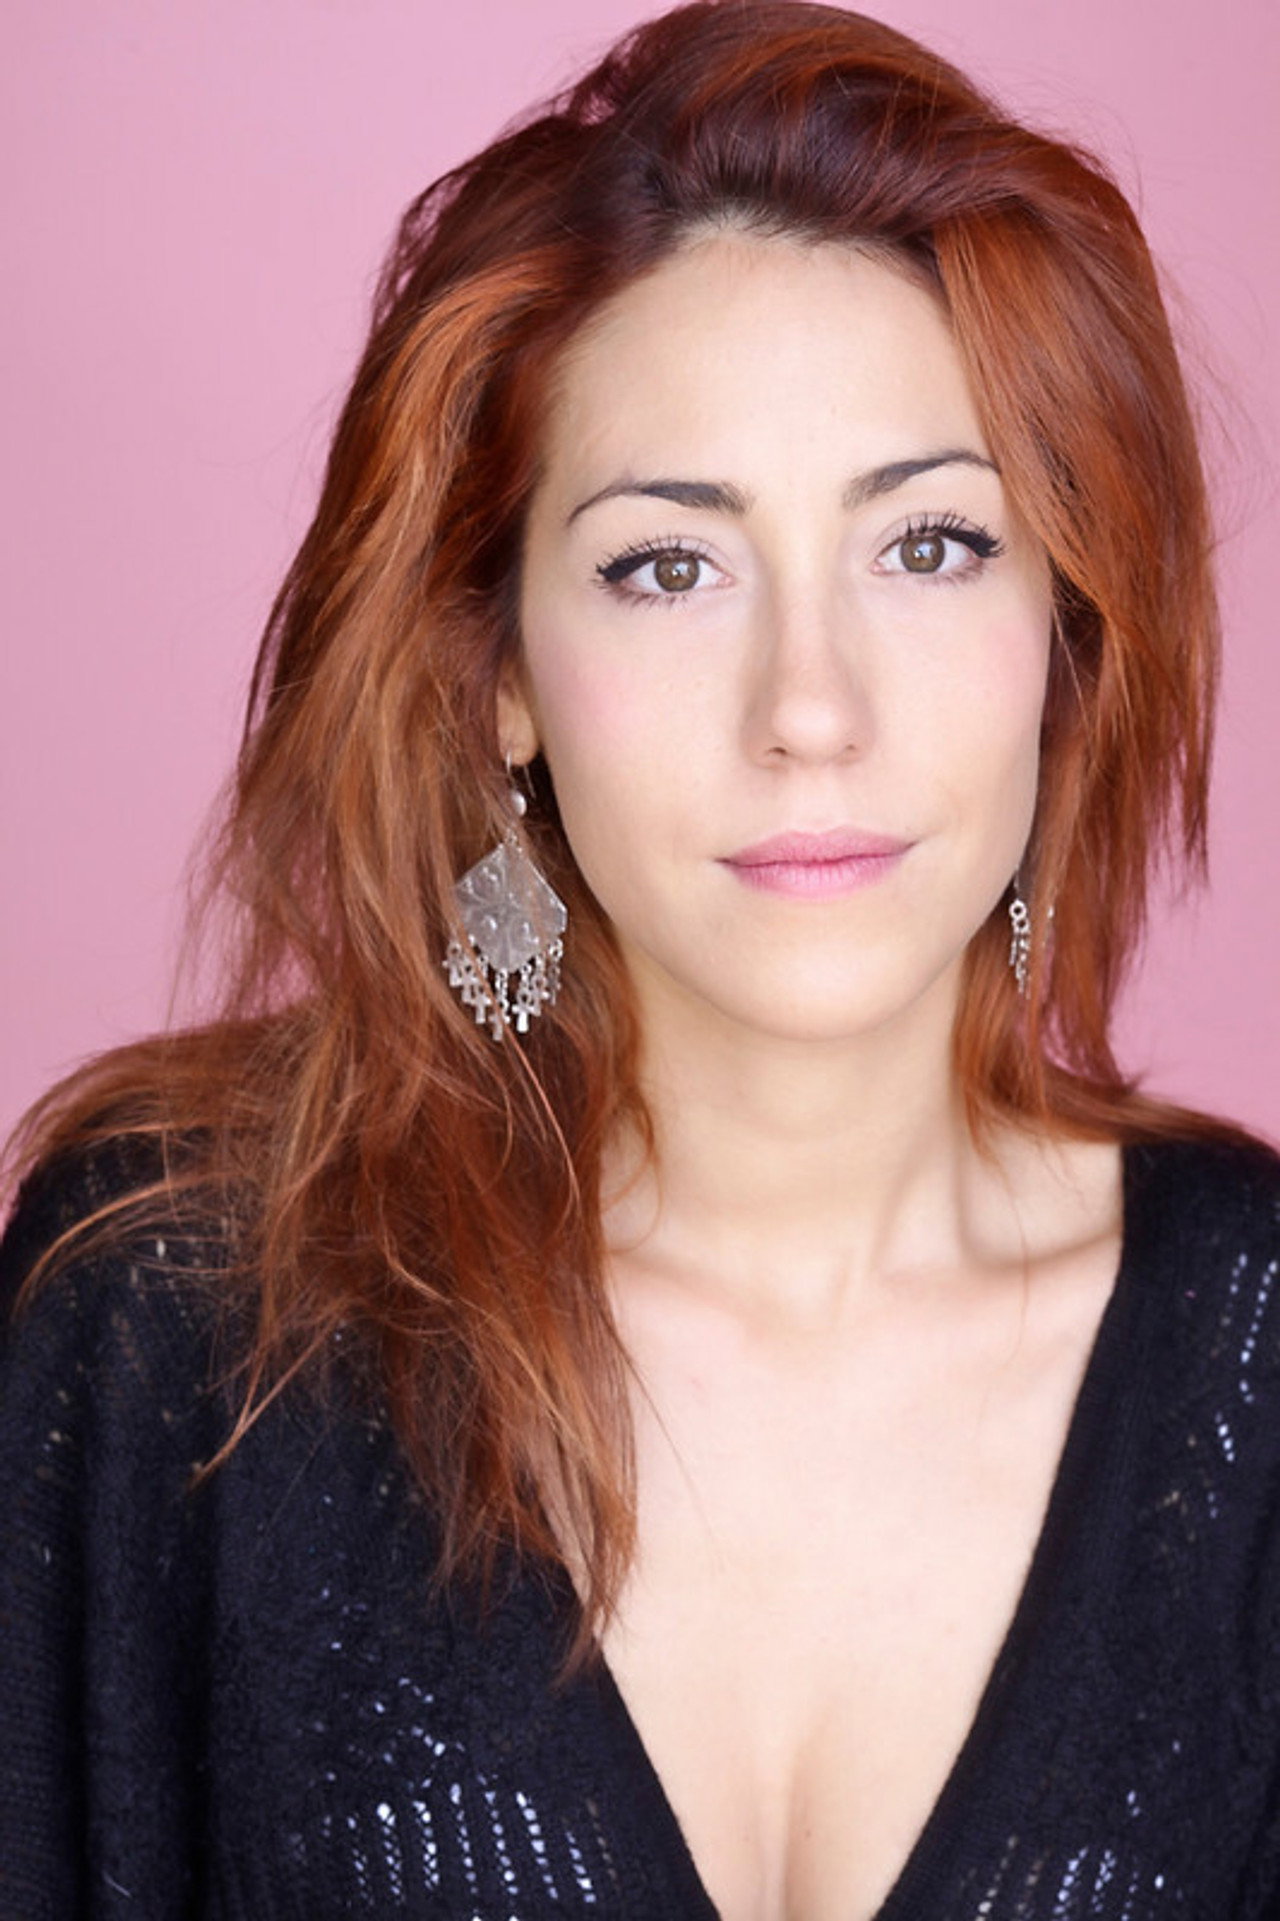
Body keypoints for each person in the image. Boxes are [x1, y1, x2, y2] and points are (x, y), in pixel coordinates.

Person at [2, 2, 1277, 1915]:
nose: (811, 707)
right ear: (501, 677)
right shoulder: (173, 1318)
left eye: (931, 545)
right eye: (670, 566)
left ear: (1064, 628)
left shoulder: (1254, 1348)